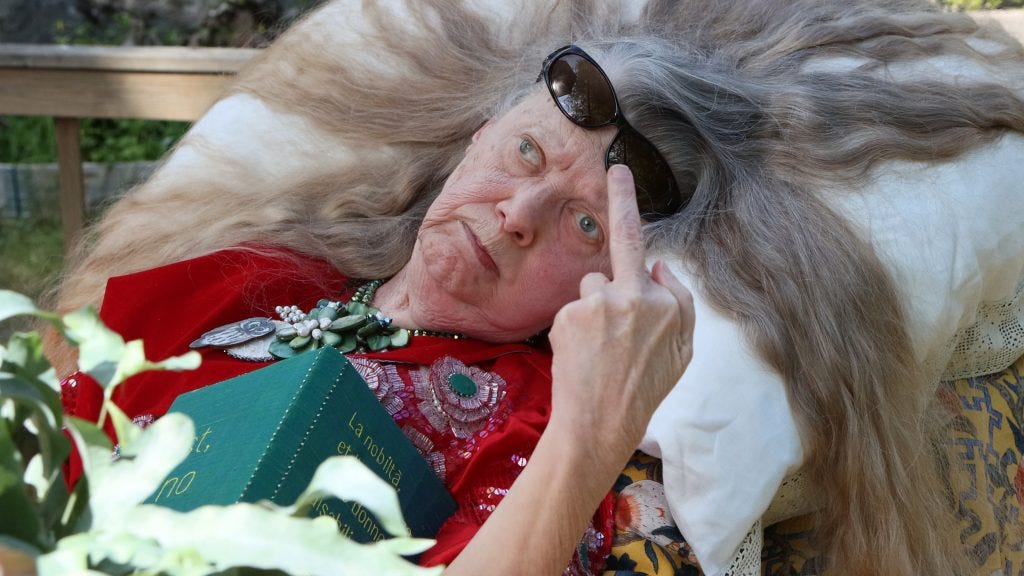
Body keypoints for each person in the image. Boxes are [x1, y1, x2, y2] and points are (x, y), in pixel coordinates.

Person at [50, 0, 1024, 575]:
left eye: (583, 221)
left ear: (619, 276)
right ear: (473, 136)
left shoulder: (531, 428)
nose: (516, 212)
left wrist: (589, 435)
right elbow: (47, 437)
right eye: (522, 151)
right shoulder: (258, 277)